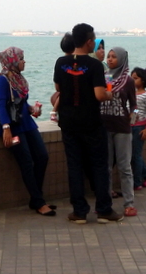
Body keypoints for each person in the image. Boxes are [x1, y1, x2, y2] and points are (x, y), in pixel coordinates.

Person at [53, 23, 123, 224]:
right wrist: (110, 94)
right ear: (88, 41)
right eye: (93, 40)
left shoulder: (61, 62)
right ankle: (104, 209)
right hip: (91, 122)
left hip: (68, 122)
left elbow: (58, 87)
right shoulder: (95, 65)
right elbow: (99, 94)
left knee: (74, 165)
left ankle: (79, 211)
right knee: (99, 165)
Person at [0, 48, 54, 217]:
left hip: (26, 123)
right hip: (13, 126)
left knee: (42, 156)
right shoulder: (2, 80)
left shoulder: (18, 79)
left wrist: (32, 109)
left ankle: (36, 198)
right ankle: (39, 202)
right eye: (21, 59)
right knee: (26, 161)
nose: (24, 62)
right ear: (12, 61)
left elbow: (20, 103)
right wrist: (6, 128)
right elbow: (1, 105)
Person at [101, 47, 137, 217]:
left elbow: (134, 104)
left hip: (122, 128)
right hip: (104, 127)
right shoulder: (103, 77)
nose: (110, 59)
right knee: (106, 167)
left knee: (124, 167)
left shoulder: (128, 81)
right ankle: (105, 203)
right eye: (108, 56)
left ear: (122, 59)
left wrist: (133, 117)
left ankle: (129, 203)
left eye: (114, 57)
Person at [130, 67, 146, 190]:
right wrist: (131, 121)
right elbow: (136, 109)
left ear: (143, 80)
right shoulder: (133, 94)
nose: (132, 80)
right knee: (133, 155)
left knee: (136, 155)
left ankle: (137, 182)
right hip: (132, 127)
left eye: (135, 78)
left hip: (140, 127)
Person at [50, 33, 76, 121]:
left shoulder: (60, 62)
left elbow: (57, 87)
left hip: (65, 105)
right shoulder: (79, 61)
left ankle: (53, 112)